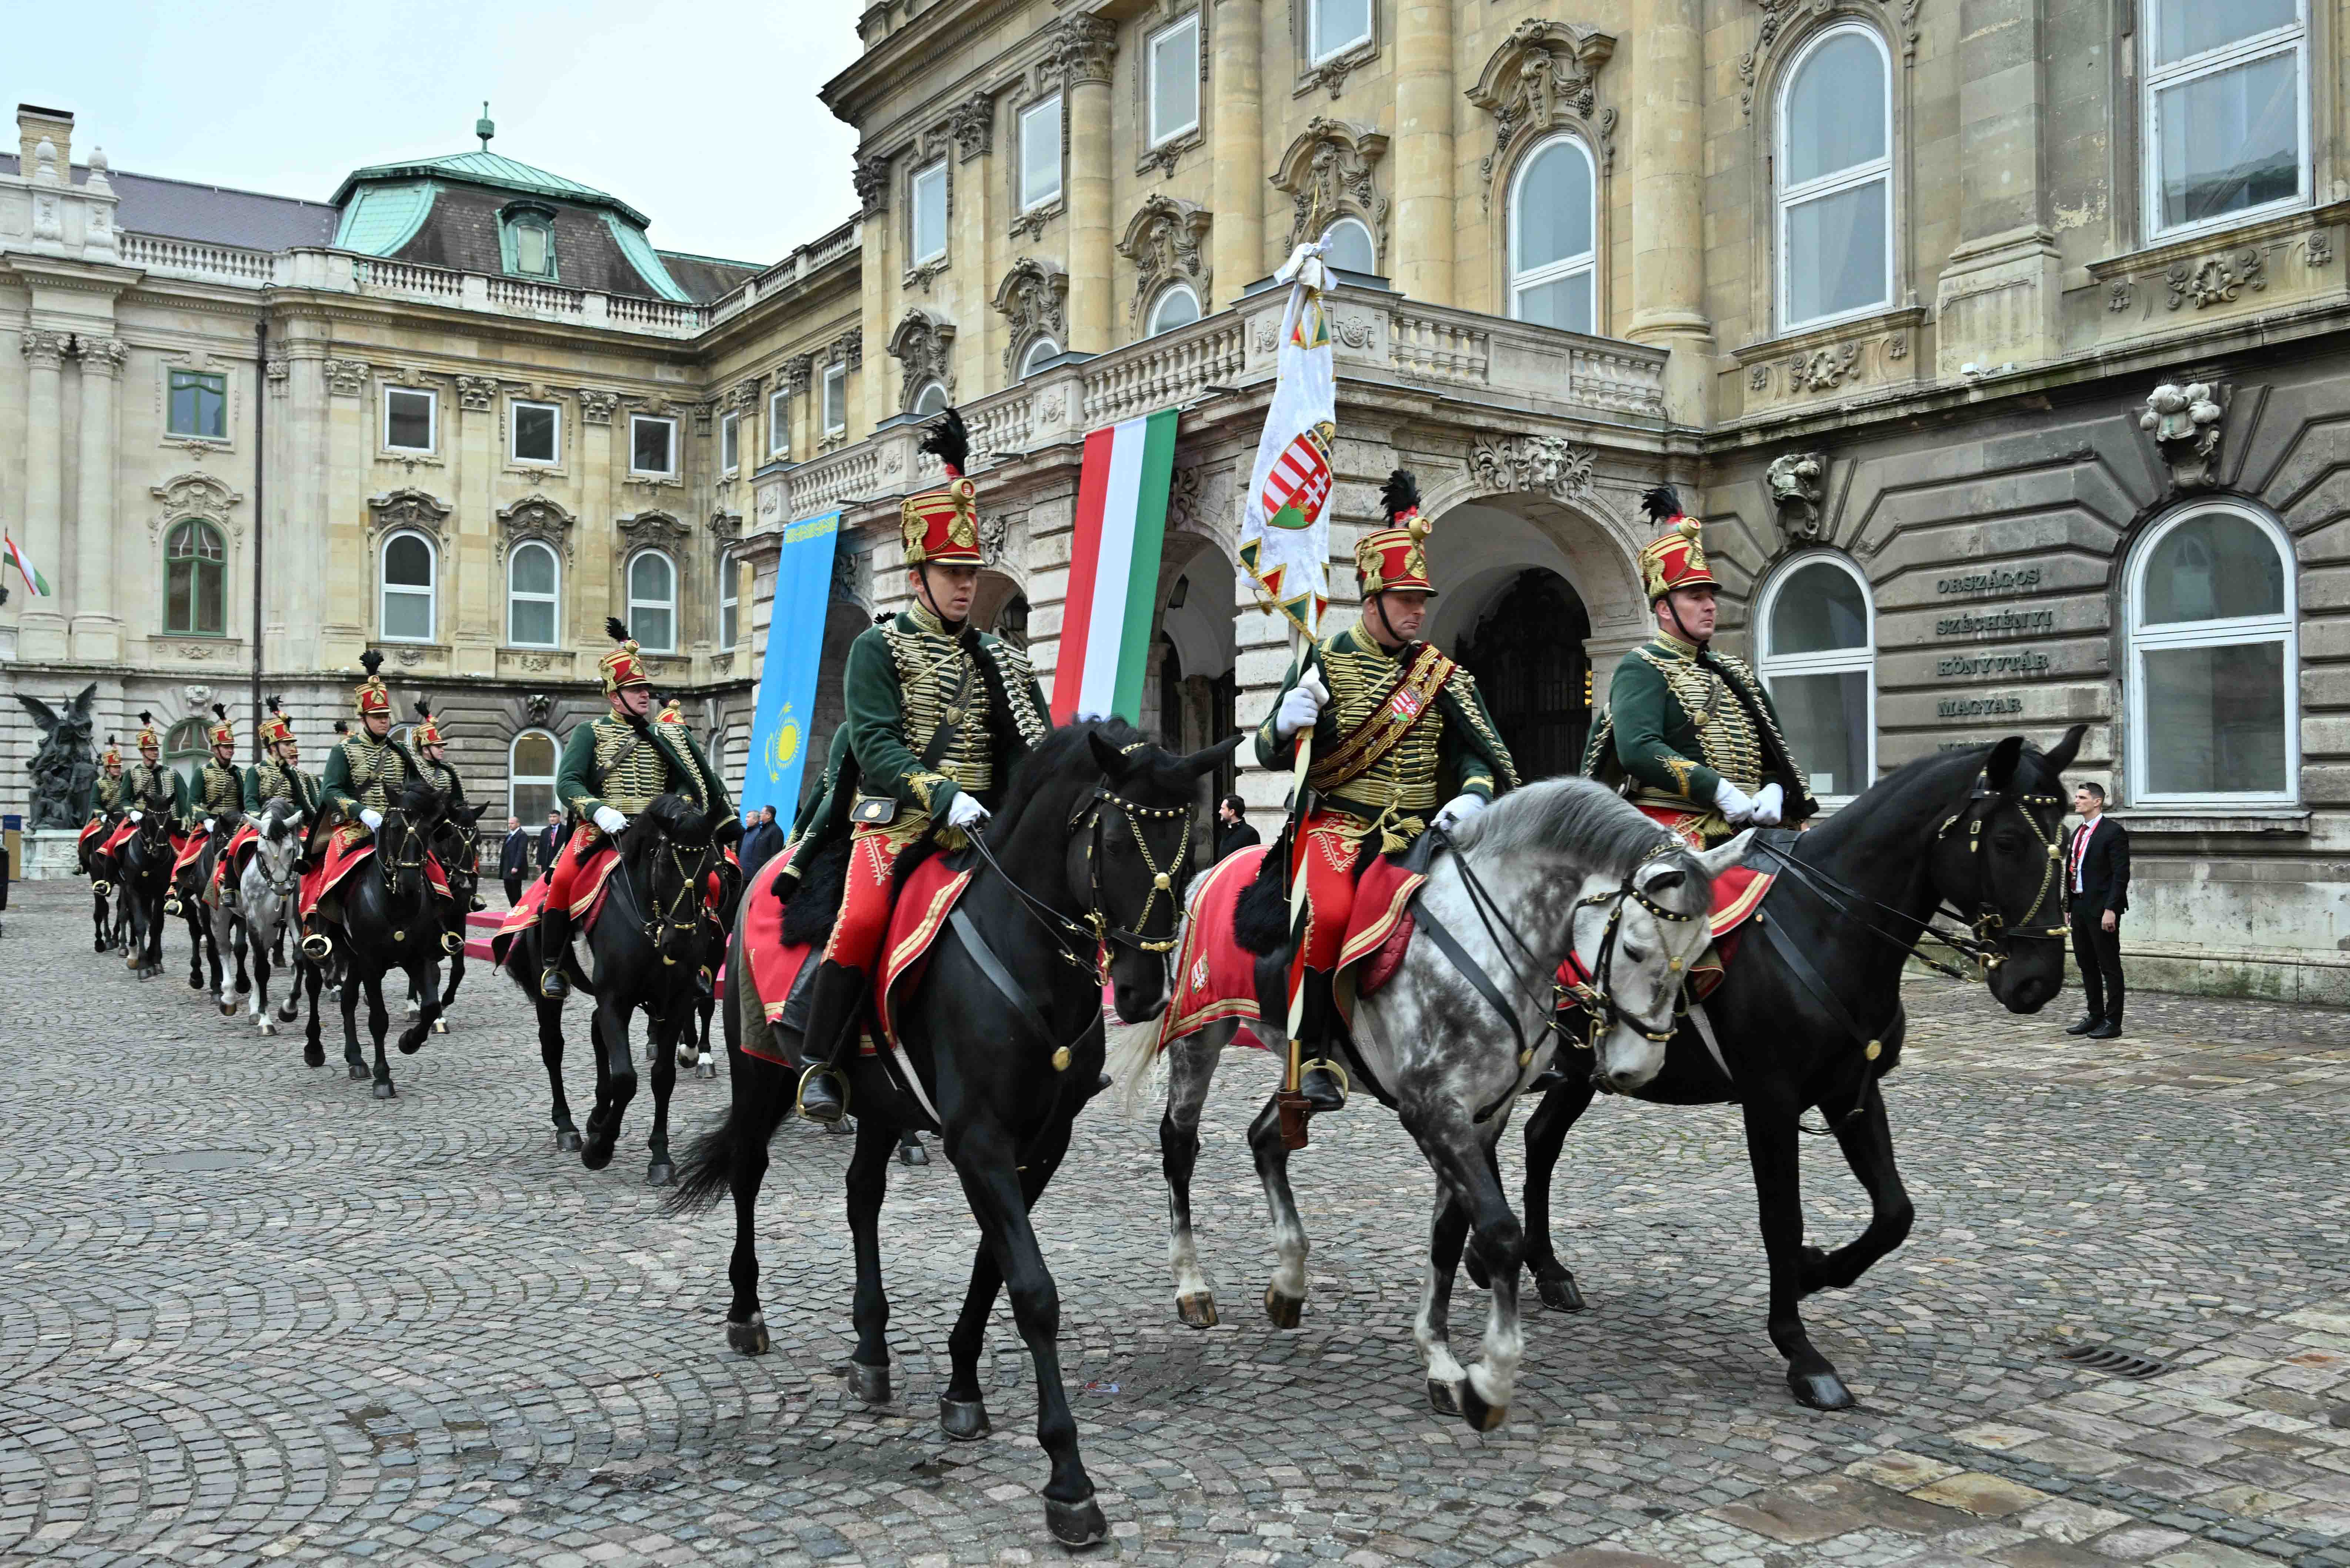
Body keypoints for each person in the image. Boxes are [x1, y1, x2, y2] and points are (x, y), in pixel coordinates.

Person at [786, 407, 1052, 1124]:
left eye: (971, 573)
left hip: (984, 831)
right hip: (900, 825)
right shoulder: (877, 650)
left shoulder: (1003, 659)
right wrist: (941, 795)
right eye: (951, 573)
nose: (966, 585)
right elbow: (874, 746)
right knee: (862, 919)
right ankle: (820, 1060)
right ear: (917, 576)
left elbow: (1033, 750)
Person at [1255, 470, 1519, 1114]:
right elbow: (1267, 751)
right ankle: (1315, 1055)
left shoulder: (1440, 674)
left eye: (1421, 599)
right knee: (1325, 916)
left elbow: (1476, 752)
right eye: (1404, 599)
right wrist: (1286, 723)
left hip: (1425, 830)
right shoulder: (1324, 659)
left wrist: (1474, 794)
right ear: (1371, 598)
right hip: (1341, 828)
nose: (1417, 611)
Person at [1586, 486, 1816, 848]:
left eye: (1711, 597)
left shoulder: (1734, 672)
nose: (1710, 606)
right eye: (1696, 597)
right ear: (1665, 609)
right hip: (1671, 826)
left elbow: (1771, 754)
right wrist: (1718, 789)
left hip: (1748, 827)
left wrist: (1774, 788)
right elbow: (1638, 748)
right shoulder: (1642, 666)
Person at [539, 619, 732, 1000]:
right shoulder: (590, 732)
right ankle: (553, 964)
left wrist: (681, 810)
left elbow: (684, 781)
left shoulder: (664, 735)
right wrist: (598, 810)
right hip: (604, 830)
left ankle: (699, 964)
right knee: (562, 880)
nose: (645, 695)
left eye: (646, 688)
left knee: (709, 882)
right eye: (635, 689)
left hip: (659, 831)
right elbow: (568, 782)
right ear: (615, 697)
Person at [304, 651, 422, 956]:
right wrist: (362, 812)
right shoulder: (344, 751)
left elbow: (417, 787)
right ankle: (322, 932)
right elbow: (330, 791)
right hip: (356, 828)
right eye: (377, 716)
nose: (384, 720)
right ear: (363, 718)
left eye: (386, 716)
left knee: (431, 863)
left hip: (396, 828)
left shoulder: (401, 751)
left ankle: (440, 925)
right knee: (332, 865)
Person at [2064, 782, 2130, 1040]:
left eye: (2082, 797)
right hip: (2080, 907)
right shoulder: (2078, 833)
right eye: (2077, 797)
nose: (2077, 801)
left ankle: (2113, 1021)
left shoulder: (2113, 832)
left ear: (2097, 802)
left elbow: (2120, 875)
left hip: (2102, 910)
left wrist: (2111, 909)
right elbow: (2072, 871)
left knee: (2109, 966)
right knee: (2086, 965)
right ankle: (2095, 1016)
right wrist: (2067, 905)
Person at [739, 803, 784, 880]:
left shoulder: (776, 831)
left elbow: (775, 855)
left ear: (769, 816)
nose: (760, 815)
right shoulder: (763, 830)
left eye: (762, 813)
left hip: (763, 873)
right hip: (754, 872)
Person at [1212, 794, 1259, 863]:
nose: (1220, 812)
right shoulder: (1224, 830)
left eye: (1223, 809)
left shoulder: (1250, 833)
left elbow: (1252, 862)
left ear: (1232, 812)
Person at [498, 816, 532, 907]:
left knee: (516, 890)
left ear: (518, 824)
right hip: (507, 867)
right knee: (508, 888)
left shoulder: (522, 835)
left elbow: (521, 852)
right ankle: (513, 907)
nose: (510, 825)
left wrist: (516, 866)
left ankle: (517, 908)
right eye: (509, 823)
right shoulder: (510, 836)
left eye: (512, 823)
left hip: (515, 868)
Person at [539, 809, 563, 874]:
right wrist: (539, 862)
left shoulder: (565, 830)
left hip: (560, 860)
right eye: (550, 817)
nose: (552, 819)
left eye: (554, 817)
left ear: (560, 817)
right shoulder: (545, 831)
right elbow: (541, 847)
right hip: (547, 860)